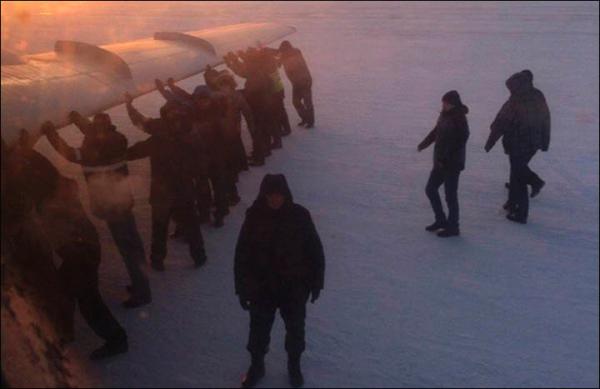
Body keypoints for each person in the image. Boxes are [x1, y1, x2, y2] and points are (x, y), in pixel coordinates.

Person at [5, 129, 128, 360]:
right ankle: (64, 334)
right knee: (64, 292)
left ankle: (115, 339)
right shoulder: (42, 179)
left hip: (79, 250)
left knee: (86, 298)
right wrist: (26, 148)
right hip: (77, 248)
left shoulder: (47, 190)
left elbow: (28, 193)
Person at [42, 115, 151, 308]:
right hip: (123, 203)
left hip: (111, 207)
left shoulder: (91, 152)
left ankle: (142, 292)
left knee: (129, 250)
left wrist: (51, 133)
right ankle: (141, 285)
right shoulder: (116, 141)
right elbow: (94, 132)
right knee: (134, 246)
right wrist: (77, 119)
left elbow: (67, 153)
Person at [235, 174, 325, 388]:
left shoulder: (300, 216)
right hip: (262, 288)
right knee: (258, 333)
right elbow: (242, 254)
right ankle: (257, 366)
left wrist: (316, 283)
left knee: (295, 332)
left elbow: (315, 251)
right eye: (270, 196)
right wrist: (241, 287)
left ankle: (294, 366)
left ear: (286, 195)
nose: (275, 200)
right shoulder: (254, 216)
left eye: (279, 195)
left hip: (293, 287)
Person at [125, 93, 207, 270]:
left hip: (163, 190)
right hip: (180, 188)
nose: (175, 118)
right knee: (188, 224)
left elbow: (138, 138)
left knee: (161, 226)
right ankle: (198, 255)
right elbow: (200, 161)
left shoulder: (159, 133)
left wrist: (118, 155)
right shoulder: (189, 133)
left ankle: (158, 259)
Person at [485, 70, 551, 224]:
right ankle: (512, 201)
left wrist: (491, 141)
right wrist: (545, 141)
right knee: (516, 170)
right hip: (533, 143)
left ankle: (521, 212)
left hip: (518, 143)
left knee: (518, 174)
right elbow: (546, 119)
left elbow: (501, 122)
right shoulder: (537, 94)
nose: (509, 91)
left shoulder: (515, 101)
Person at [418, 91, 470, 237]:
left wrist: (446, 158)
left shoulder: (459, 118)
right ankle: (440, 220)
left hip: (452, 164)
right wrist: (424, 144)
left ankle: (453, 227)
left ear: (453, 104)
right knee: (430, 189)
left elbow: (461, 140)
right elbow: (436, 132)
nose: (443, 105)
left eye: (446, 103)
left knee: (450, 195)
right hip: (440, 162)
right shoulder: (444, 115)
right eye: (443, 103)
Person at [278, 41, 314, 128]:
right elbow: (278, 60)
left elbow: (281, 61)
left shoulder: (294, 53)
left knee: (307, 102)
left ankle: (310, 122)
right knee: (296, 102)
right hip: (296, 82)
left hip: (304, 81)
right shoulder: (287, 54)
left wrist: (279, 57)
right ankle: (305, 118)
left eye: (282, 51)